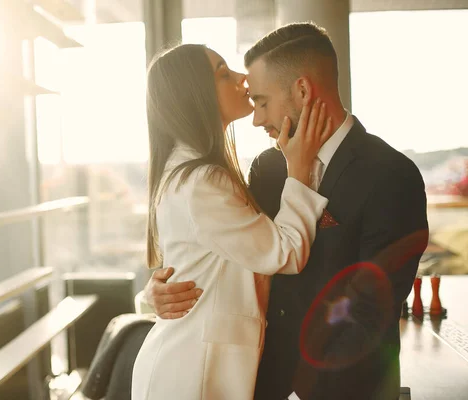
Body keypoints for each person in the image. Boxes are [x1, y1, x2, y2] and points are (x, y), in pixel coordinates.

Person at [144, 23, 429, 400]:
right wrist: (158, 291)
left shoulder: (391, 175)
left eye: (261, 101)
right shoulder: (269, 168)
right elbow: (233, 254)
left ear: (303, 90)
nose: (257, 118)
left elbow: (370, 312)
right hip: (254, 383)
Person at [131, 43, 334, 400]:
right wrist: (300, 172)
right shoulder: (202, 181)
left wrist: (150, 297)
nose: (243, 79)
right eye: (224, 73)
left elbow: (193, 267)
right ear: (195, 94)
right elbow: (285, 252)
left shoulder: (190, 172)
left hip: (191, 365)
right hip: (192, 375)